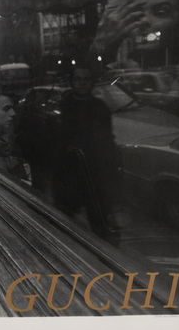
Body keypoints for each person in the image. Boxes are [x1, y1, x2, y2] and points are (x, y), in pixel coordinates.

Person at [52, 66, 123, 244]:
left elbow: (107, 141)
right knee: (64, 224)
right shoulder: (62, 107)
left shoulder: (100, 107)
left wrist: (111, 172)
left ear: (92, 82)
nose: (82, 83)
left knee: (101, 226)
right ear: (71, 82)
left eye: (86, 79)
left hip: (94, 175)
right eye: (78, 79)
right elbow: (56, 143)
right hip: (69, 175)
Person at [89, 0, 179, 70]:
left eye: (160, 12)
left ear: (178, 22)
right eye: (136, 14)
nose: (144, 20)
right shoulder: (110, 74)